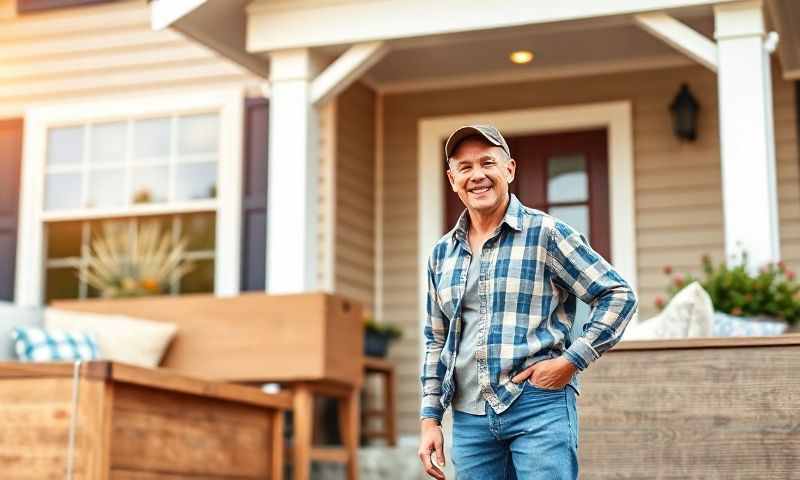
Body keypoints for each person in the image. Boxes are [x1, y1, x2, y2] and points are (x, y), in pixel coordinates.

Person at [417, 125, 638, 480]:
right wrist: (430, 420)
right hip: (469, 420)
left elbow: (618, 296)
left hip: (538, 406)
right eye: (465, 167)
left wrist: (570, 361)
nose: (477, 176)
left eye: (488, 163)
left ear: (509, 169)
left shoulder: (547, 234)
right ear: (452, 178)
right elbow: (436, 342)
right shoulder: (442, 254)